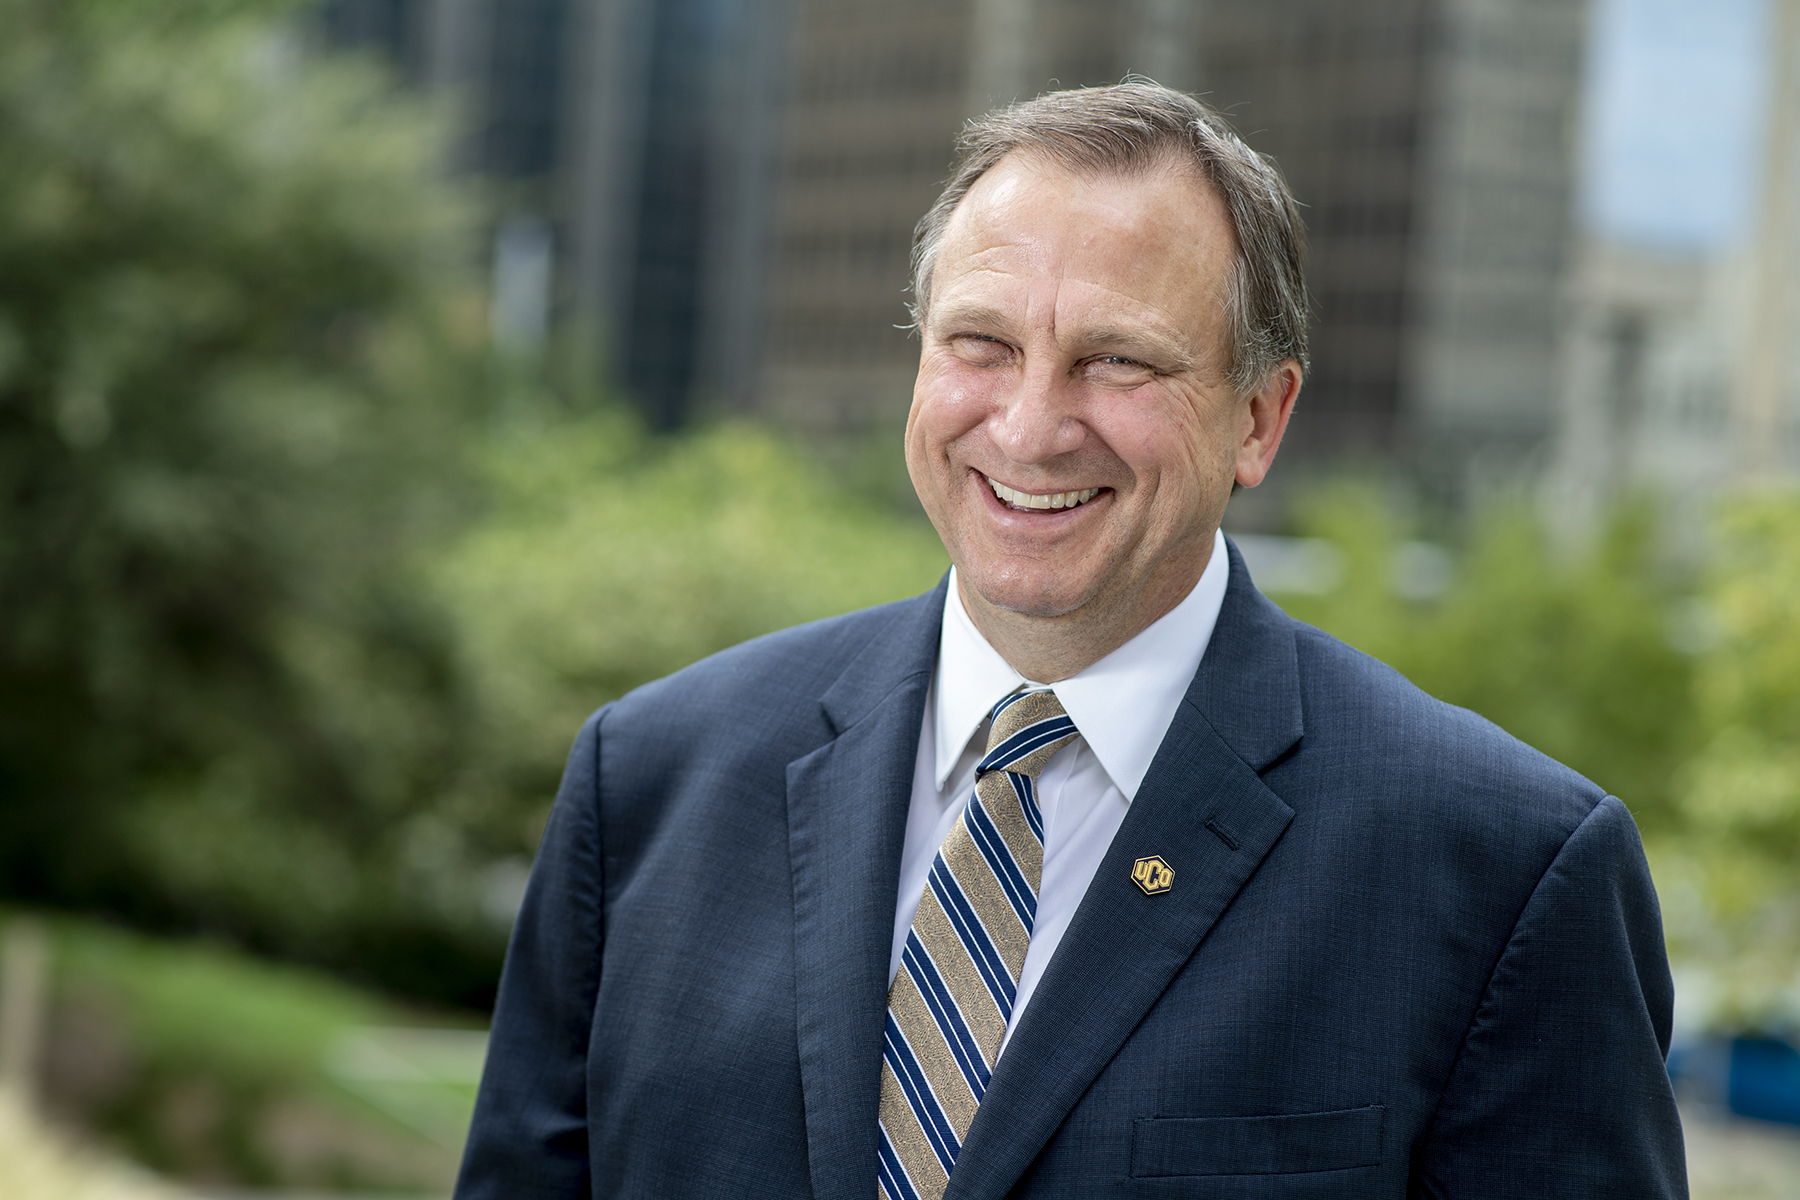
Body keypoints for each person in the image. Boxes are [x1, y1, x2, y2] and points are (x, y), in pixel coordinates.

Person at [455, 81, 1686, 1199]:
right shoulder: (650, 777)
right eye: (979, 344)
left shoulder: (1509, 873)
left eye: (1117, 361)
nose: (1032, 427)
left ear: (1259, 419)